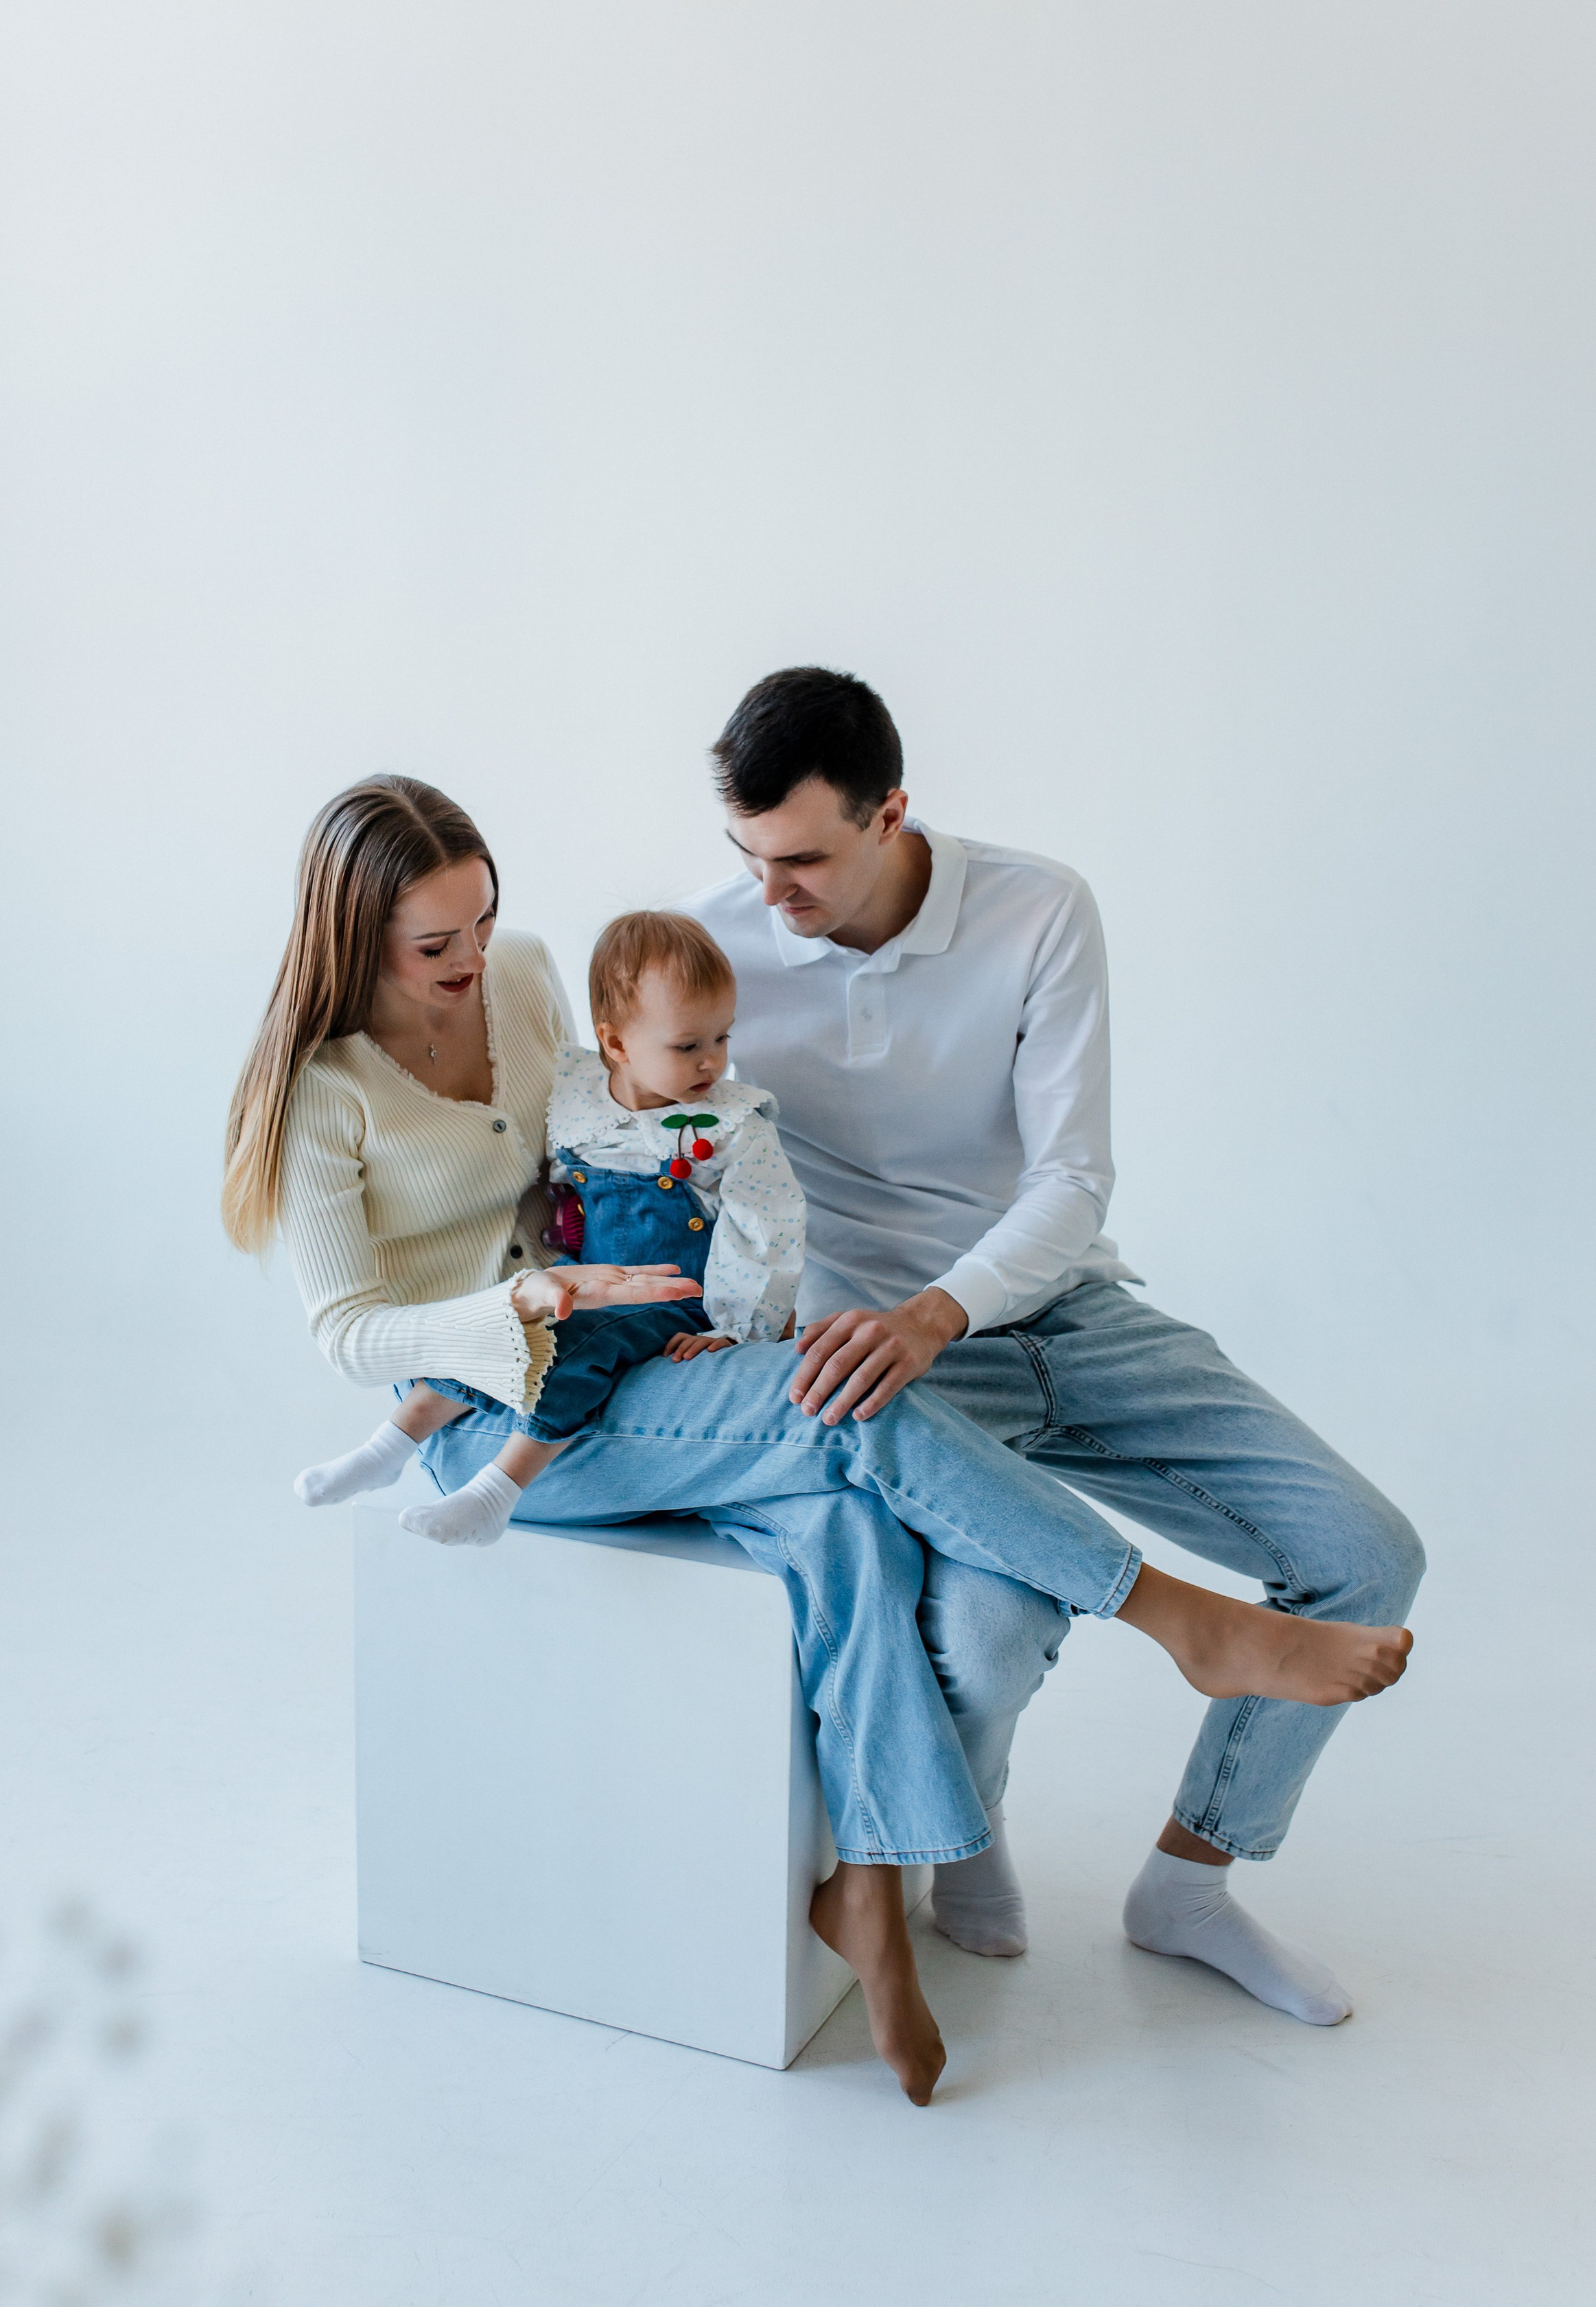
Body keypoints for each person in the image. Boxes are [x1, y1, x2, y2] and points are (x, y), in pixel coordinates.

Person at [228, 775, 1411, 2098]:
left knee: (849, 1527)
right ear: (352, 937)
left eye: (481, 919)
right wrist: (526, 1302)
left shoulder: (523, 974)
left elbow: (603, 1137)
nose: (469, 962)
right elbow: (346, 1334)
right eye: (431, 945)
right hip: (494, 1408)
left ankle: (871, 1879)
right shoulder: (323, 1093)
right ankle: (1183, 1619)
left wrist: (693, 1280)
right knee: (851, 1407)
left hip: (639, 1355)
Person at [683, 666, 1427, 2024]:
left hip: (1054, 1309)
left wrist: (941, 1308)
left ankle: (1188, 1887)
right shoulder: (711, 945)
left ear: (890, 811)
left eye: (800, 858)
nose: (769, 892)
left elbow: (1070, 1180)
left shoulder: (1034, 908)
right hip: (870, 1352)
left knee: (1365, 1558)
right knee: (992, 1626)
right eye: (746, 856)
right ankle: (964, 1837)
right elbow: (649, 1141)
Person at [362, 907, 806, 1548]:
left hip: (675, 1301)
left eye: (722, 1039)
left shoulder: (731, 1125)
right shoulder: (576, 1100)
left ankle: (497, 1491)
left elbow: (767, 1229)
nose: (713, 1063)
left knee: (575, 1343)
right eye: (688, 1045)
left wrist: (736, 1328)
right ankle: (390, 1444)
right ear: (617, 1043)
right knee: (505, 1323)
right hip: (600, 1283)